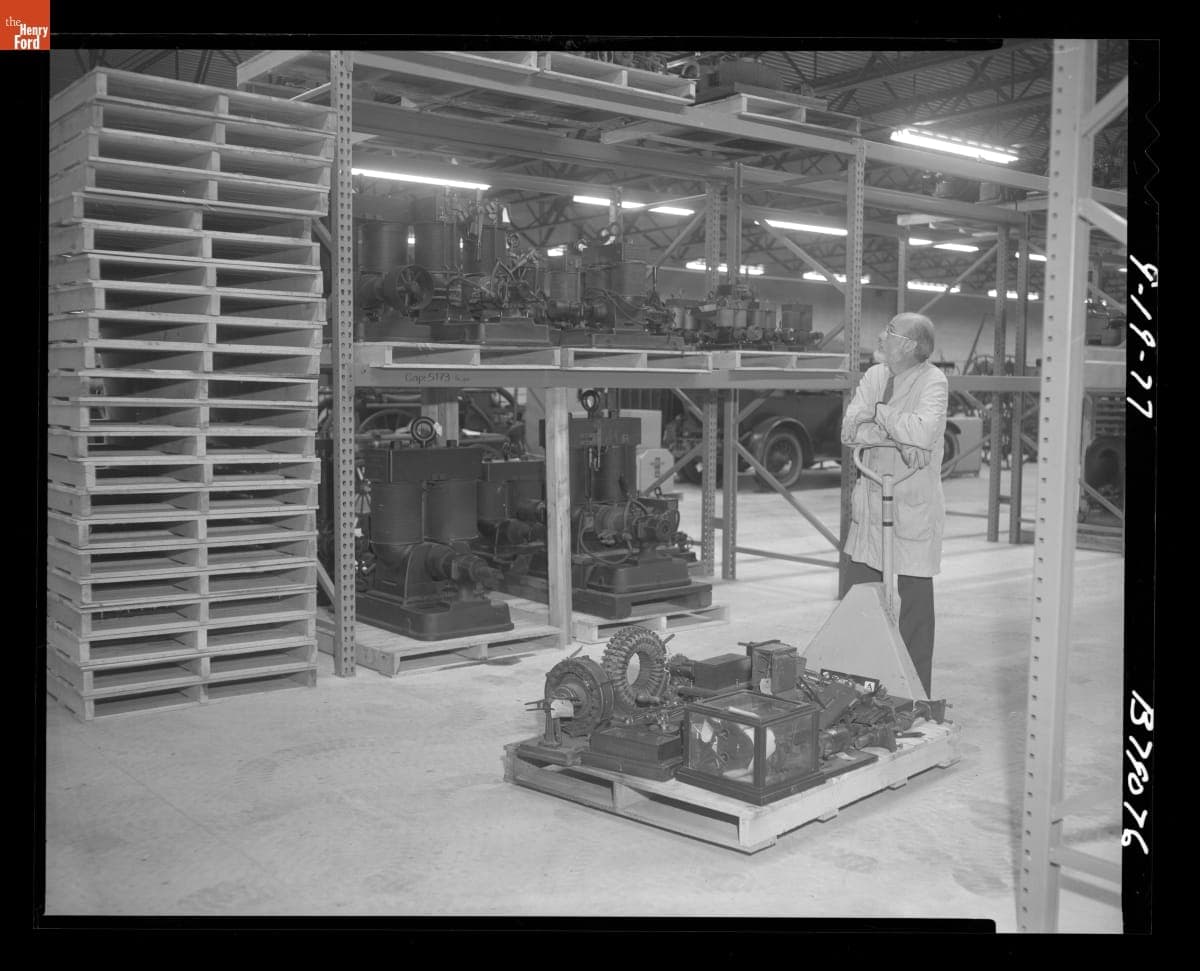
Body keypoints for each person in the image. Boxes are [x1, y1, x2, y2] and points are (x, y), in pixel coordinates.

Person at [840, 312, 948, 697]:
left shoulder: (933, 381)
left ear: (910, 345)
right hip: (870, 508)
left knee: (913, 618)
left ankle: (914, 700)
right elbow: (850, 431)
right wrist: (899, 437)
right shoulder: (873, 376)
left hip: (911, 510)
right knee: (857, 610)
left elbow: (923, 433)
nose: (881, 335)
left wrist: (880, 416)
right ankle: (854, 696)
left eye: (890, 331)